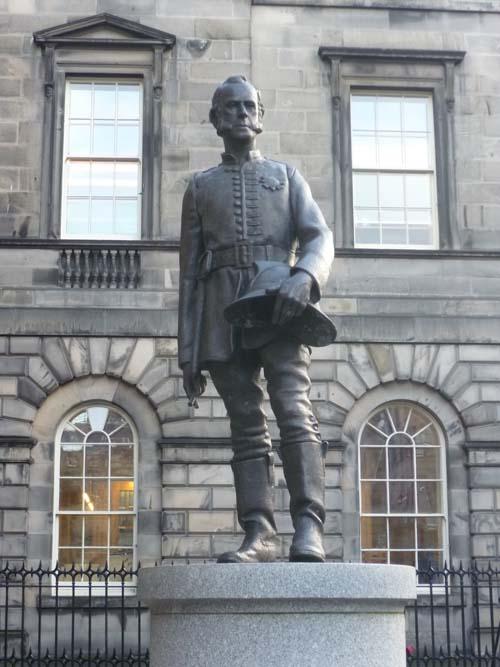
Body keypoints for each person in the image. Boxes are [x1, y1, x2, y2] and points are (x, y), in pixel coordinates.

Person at [178, 75, 334, 563]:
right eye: (232, 108)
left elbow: (319, 237)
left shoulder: (287, 177)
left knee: (294, 410)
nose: (242, 114)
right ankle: (259, 534)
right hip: (221, 313)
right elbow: (187, 276)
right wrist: (188, 354)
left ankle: (309, 526)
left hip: (279, 305)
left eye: (250, 106)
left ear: (260, 116)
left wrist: (305, 277)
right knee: (245, 422)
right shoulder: (200, 187)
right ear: (216, 119)